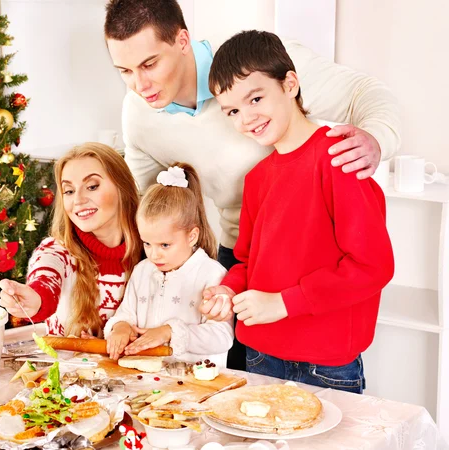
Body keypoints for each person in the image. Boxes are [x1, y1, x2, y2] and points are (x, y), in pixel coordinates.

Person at [104, 0, 401, 369]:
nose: (140, 84)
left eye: (149, 64)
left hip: (315, 287)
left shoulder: (257, 60)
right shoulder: (139, 114)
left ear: (182, 40)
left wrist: (376, 140)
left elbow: (365, 94)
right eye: (125, 71)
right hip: (243, 263)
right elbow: (150, 203)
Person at [201, 30, 394, 393]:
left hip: (326, 366)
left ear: (290, 84)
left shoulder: (338, 157)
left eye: (256, 98)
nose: (247, 118)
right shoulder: (257, 179)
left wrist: (285, 303)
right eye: (233, 111)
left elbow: (373, 265)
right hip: (259, 356)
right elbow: (245, 264)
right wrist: (227, 291)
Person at [0, 143, 143, 337]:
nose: (78, 200)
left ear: (122, 187)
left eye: (92, 186)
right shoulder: (55, 251)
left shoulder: (155, 250)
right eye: (69, 191)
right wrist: (33, 299)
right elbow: (45, 280)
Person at [104, 163, 233, 367]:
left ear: (192, 236)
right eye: (147, 243)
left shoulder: (213, 275)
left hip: (197, 384)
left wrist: (170, 331)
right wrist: (120, 327)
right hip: (146, 380)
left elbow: (222, 336)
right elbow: (127, 312)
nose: (154, 254)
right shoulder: (142, 270)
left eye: (165, 245)